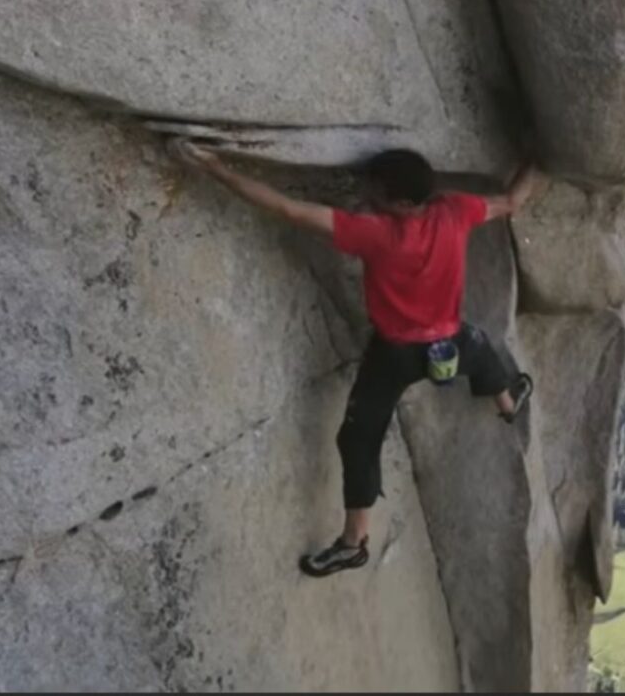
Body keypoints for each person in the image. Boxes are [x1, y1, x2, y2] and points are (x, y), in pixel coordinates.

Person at [170, 139, 544, 577]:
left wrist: (217, 168)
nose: (368, 194)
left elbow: (289, 210)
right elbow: (512, 200)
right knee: (479, 348)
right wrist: (543, 152)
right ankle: (508, 403)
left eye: (377, 191)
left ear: (403, 204)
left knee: (359, 439)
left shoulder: (377, 235)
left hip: (395, 354)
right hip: (451, 341)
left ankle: (353, 543)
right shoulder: (455, 211)